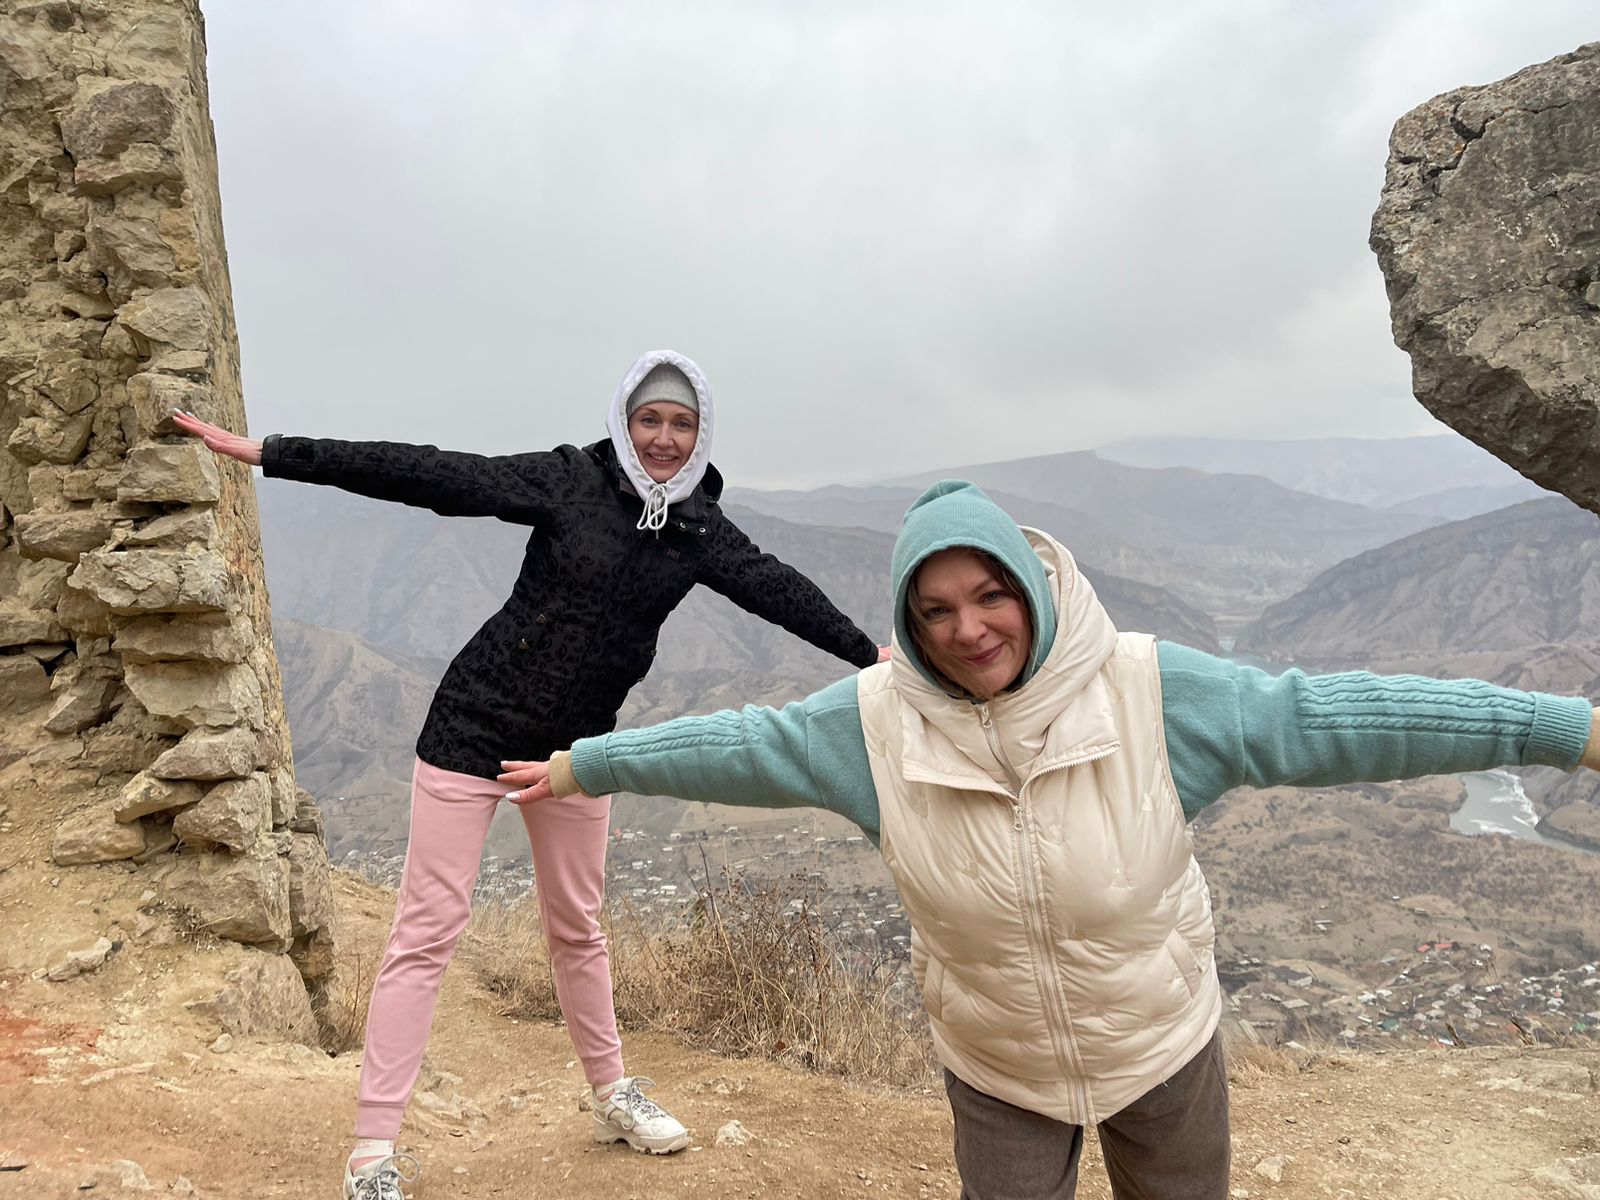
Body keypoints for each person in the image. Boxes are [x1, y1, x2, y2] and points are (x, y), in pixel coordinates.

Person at [500, 479, 1600, 1200]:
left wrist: (1564, 729)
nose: (968, 629)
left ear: (1029, 588)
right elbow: (735, 745)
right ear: (910, 623)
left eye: (989, 596)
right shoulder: (872, 728)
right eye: (935, 611)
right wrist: (584, 765)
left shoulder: (1150, 692)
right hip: (999, 1067)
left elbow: (1337, 718)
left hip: (1160, 1047)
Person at [173, 350, 888, 1200]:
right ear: (624, 420)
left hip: (574, 753)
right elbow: (437, 474)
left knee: (578, 927)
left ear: (702, 434)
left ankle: (612, 1095)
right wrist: (276, 453)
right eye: (649, 419)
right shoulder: (570, 481)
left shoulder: (700, 528)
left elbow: (780, 590)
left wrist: (870, 655)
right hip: (474, 726)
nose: (663, 438)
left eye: (681, 423)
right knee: (427, 932)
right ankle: (372, 1152)